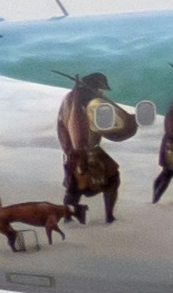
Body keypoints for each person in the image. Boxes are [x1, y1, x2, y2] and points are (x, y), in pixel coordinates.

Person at [55, 71, 131, 222]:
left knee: (75, 186)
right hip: (85, 150)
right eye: (101, 90)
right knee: (109, 179)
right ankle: (108, 216)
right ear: (94, 88)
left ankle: (69, 218)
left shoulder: (70, 98)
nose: (102, 93)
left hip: (72, 151)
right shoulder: (85, 103)